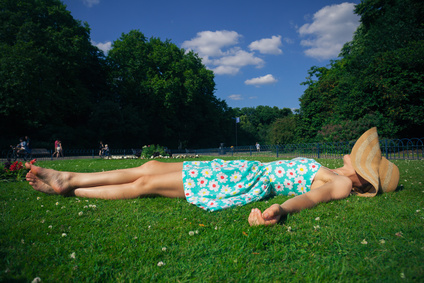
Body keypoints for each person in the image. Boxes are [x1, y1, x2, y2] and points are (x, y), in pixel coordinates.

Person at [25, 128, 399, 226]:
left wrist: (280, 209)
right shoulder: (334, 170)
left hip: (246, 182)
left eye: (361, 155)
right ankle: (71, 175)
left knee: (147, 184)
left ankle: (70, 188)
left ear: (363, 175)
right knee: (150, 168)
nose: (353, 150)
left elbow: (312, 198)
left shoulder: (342, 183)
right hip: (242, 170)